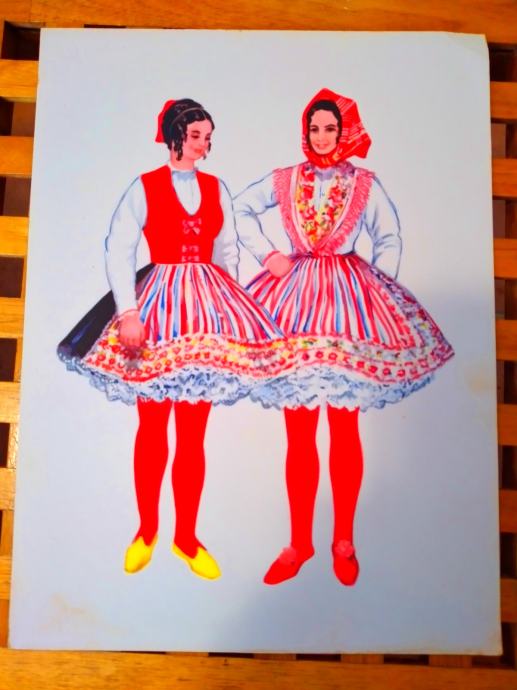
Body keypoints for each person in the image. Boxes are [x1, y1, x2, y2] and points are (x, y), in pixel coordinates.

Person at [58, 98, 288, 579]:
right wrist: (128, 311)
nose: (205, 144)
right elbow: (119, 249)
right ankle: (146, 530)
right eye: (197, 135)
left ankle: (186, 537)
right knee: (152, 426)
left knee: (193, 432)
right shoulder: (144, 187)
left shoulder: (217, 187)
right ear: (175, 136)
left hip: (206, 306)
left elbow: (227, 249)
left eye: (208, 136)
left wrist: (230, 309)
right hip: (158, 306)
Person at [233, 88, 454, 586]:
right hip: (292, 302)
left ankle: (344, 541)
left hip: (347, 304)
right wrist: (269, 255)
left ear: (344, 130)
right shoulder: (286, 179)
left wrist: (380, 291)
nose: (320, 137)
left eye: (329, 128)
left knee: (345, 426)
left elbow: (388, 237)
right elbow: (239, 209)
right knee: (298, 431)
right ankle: (299, 543)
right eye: (313, 128)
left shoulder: (363, 184)